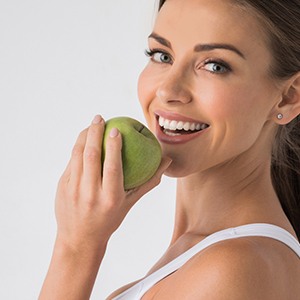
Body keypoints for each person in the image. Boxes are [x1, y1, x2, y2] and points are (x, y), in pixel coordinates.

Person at [39, 0, 300, 299]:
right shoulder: (207, 256)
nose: (168, 90)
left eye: (215, 66)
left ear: (288, 97)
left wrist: (75, 248)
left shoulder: (234, 268)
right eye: (162, 55)